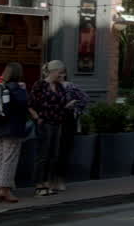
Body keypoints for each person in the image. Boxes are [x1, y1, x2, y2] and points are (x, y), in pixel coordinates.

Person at [0, 62, 30, 203]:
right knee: (10, 158)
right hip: (12, 128)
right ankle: (4, 189)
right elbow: (24, 104)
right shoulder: (17, 89)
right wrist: (24, 89)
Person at [29, 60, 69, 197]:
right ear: (53, 71)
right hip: (44, 123)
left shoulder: (59, 86)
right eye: (60, 72)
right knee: (43, 154)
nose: (62, 75)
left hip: (57, 122)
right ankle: (39, 185)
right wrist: (37, 118)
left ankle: (47, 183)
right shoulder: (40, 85)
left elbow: (62, 102)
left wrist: (68, 105)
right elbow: (30, 104)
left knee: (53, 155)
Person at [54, 64, 90, 193]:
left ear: (64, 74)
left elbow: (85, 98)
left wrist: (75, 108)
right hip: (53, 120)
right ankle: (50, 180)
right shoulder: (49, 86)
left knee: (64, 151)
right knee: (52, 151)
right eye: (57, 72)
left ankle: (60, 180)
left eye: (61, 72)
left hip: (67, 121)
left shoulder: (70, 86)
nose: (59, 75)